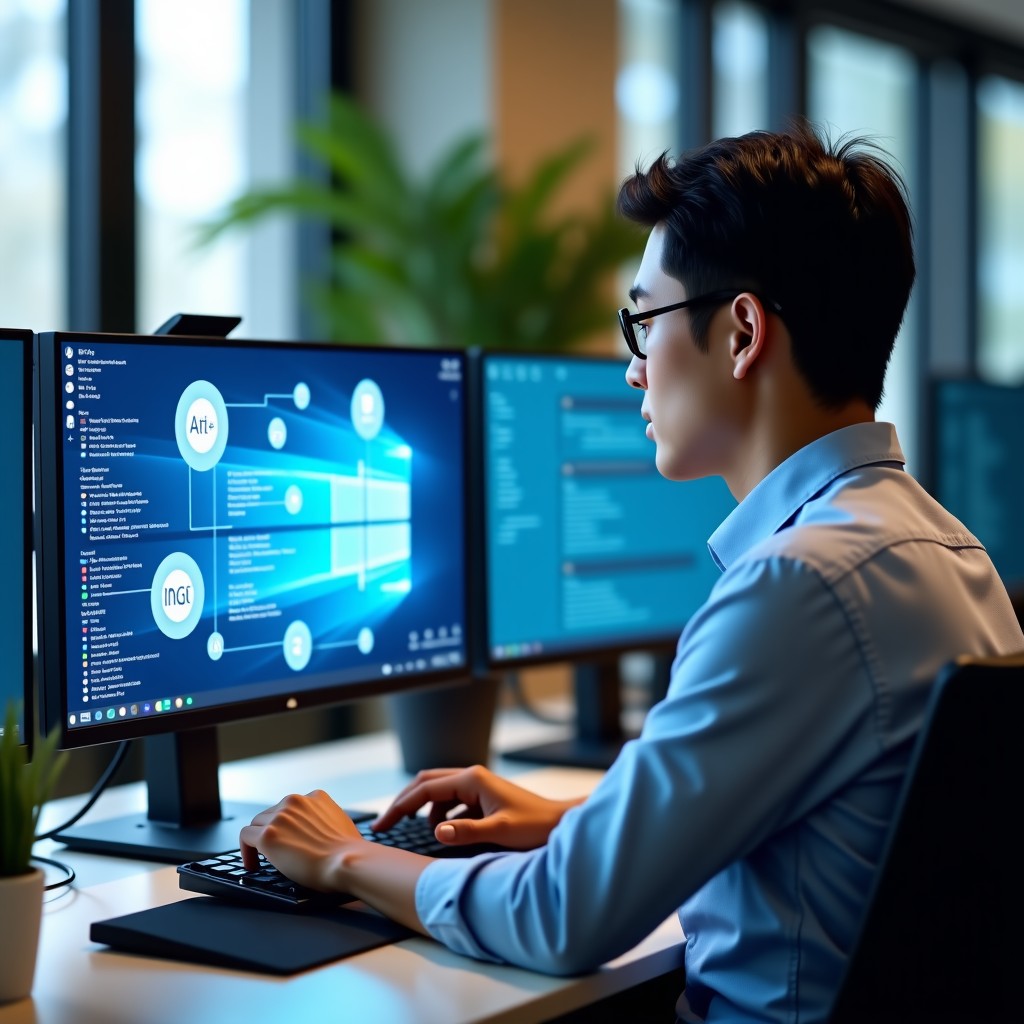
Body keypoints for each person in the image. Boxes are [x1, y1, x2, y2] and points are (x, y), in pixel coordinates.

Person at [239, 120, 1024, 1023]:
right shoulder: (951, 554)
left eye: (642, 322)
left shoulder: (799, 586)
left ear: (740, 333)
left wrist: (345, 856)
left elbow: (563, 917)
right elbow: (830, 831)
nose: (632, 372)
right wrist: (580, 822)